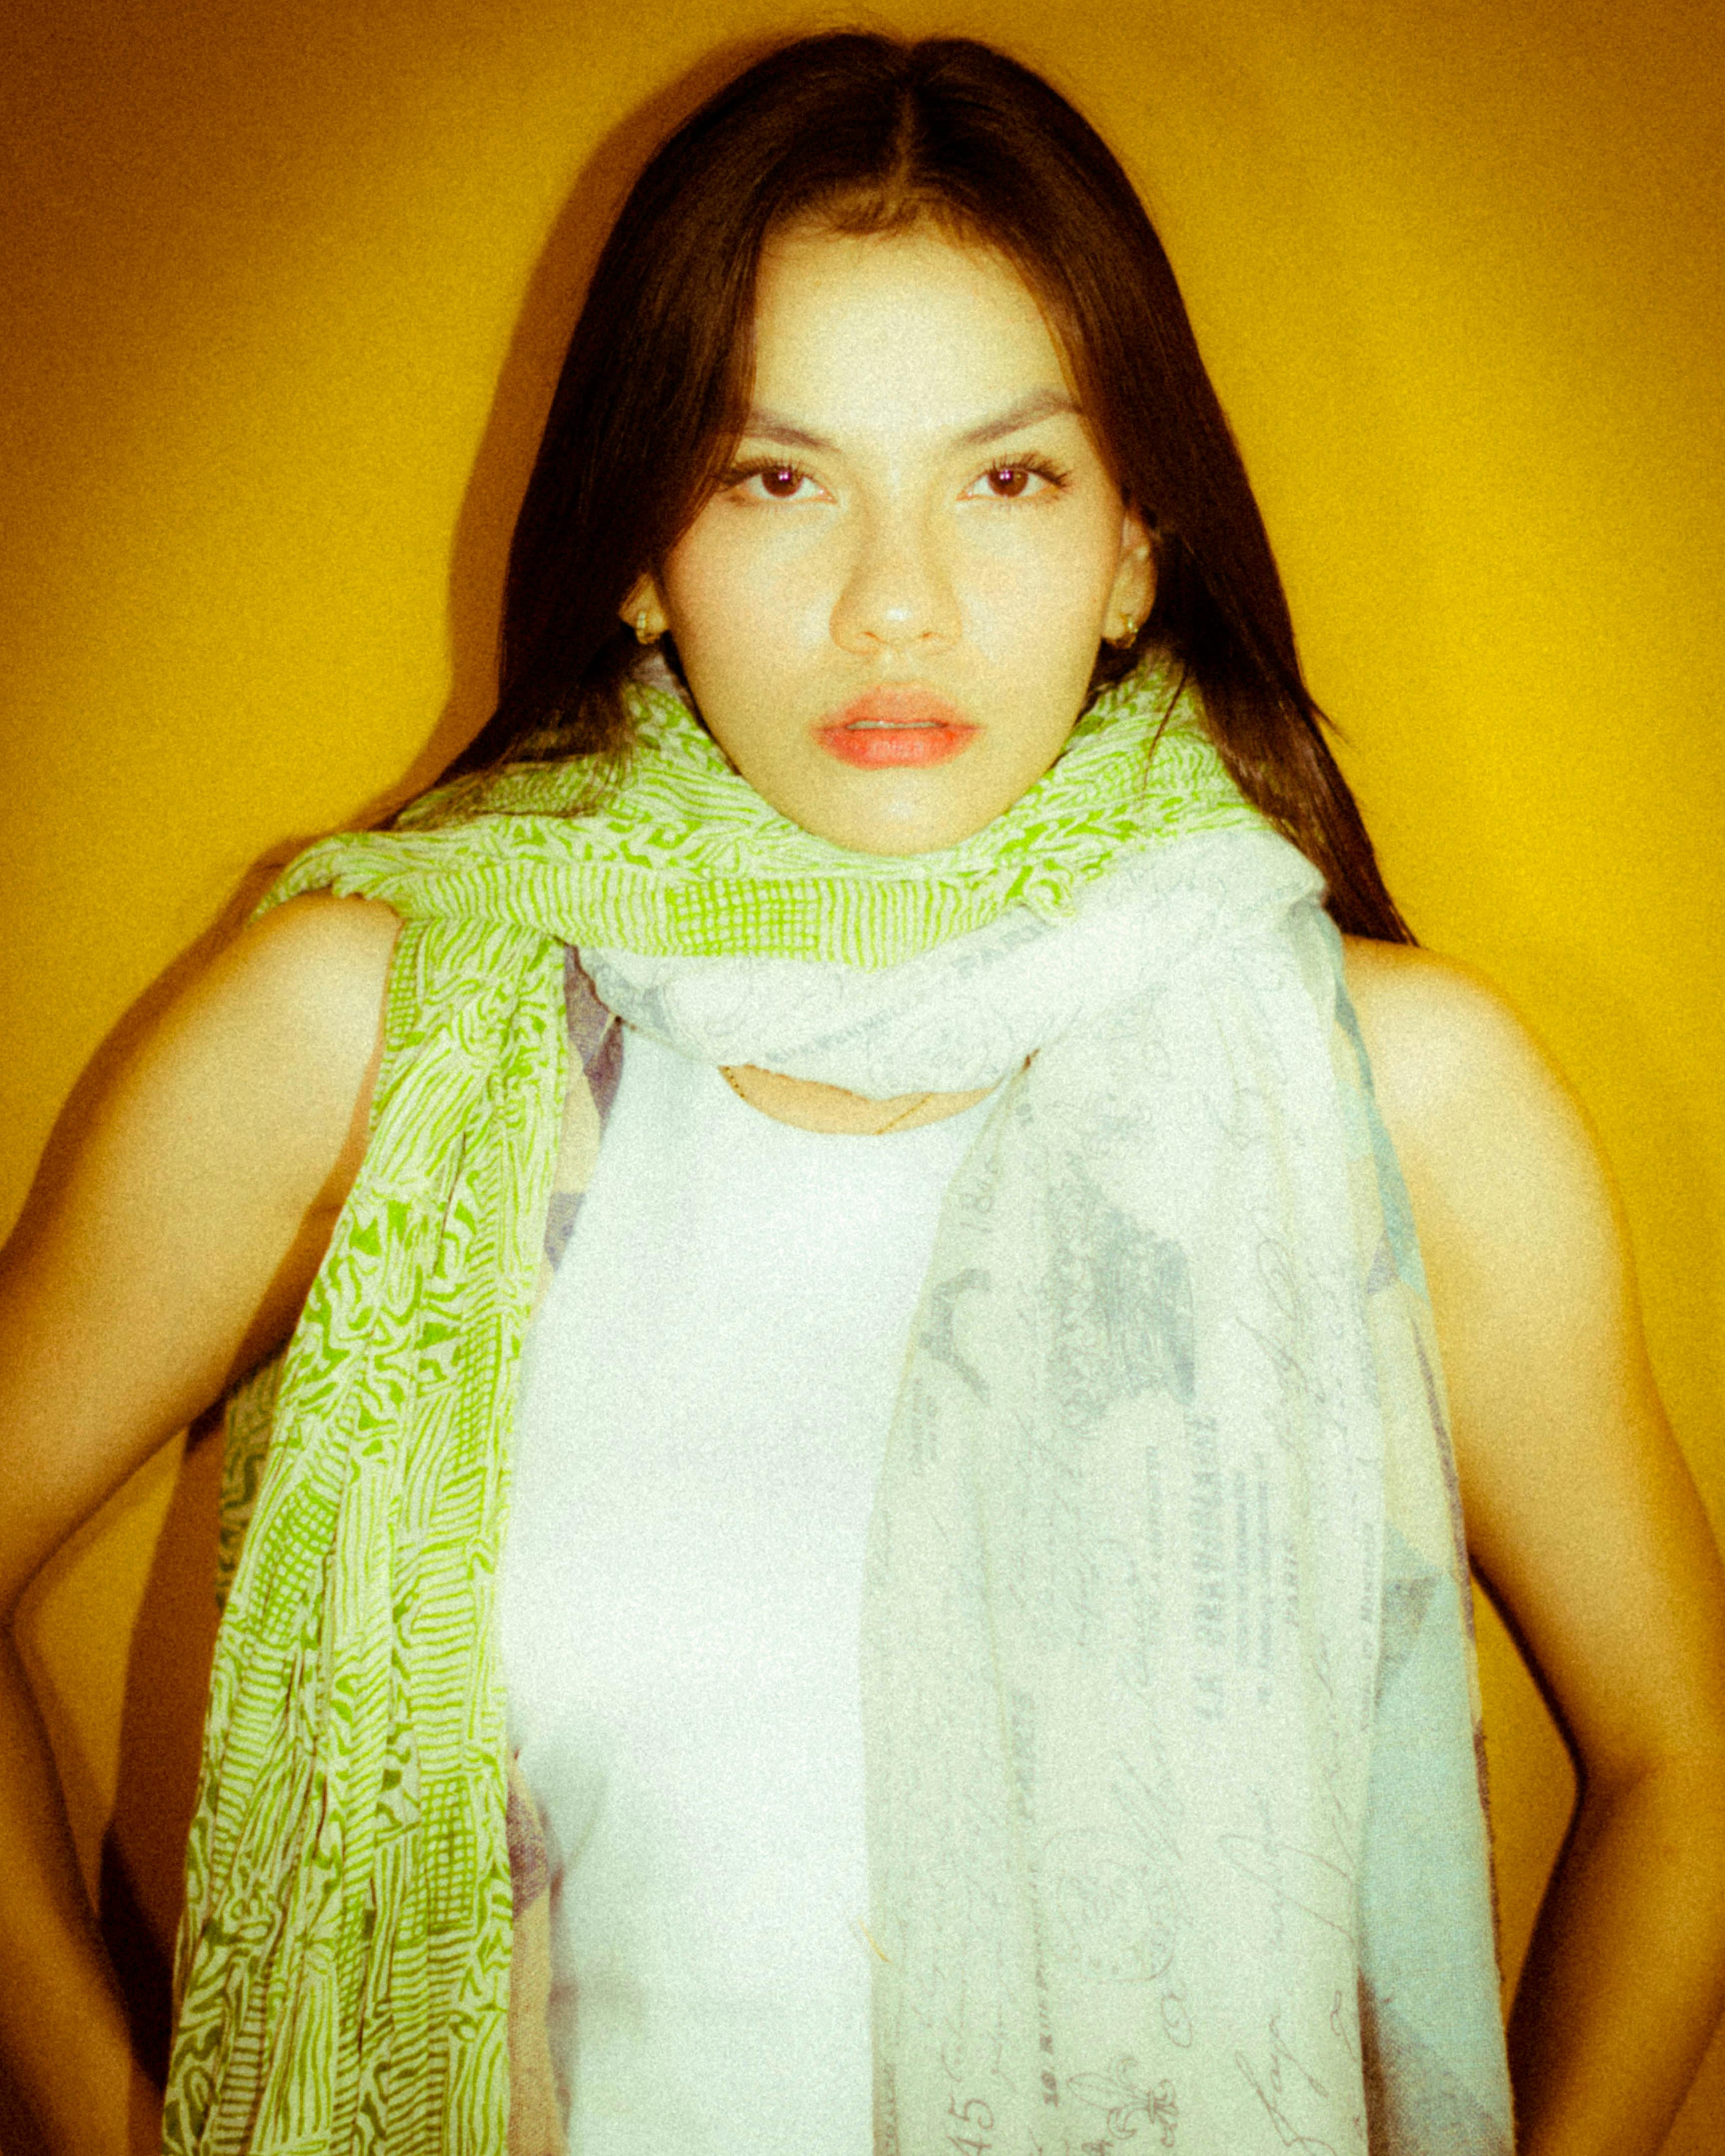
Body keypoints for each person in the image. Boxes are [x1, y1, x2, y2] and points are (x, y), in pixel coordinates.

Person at [2, 27, 1723, 2156]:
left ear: (1131, 548)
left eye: (1008, 479)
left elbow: (1689, 1760)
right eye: (773, 475)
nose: (892, 602)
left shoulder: (1396, 1092)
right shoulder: (359, 1037)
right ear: (644, 548)